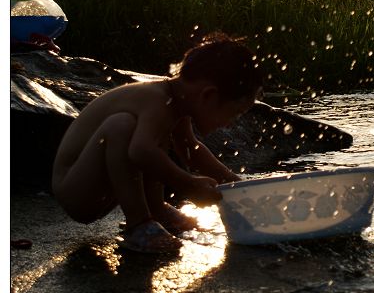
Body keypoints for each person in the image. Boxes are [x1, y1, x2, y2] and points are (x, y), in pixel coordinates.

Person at [52, 33, 262, 253]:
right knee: (122, 126)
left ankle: (156, 210)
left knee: (152, 139)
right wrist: (189, 184)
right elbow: (140, 151)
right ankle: (139, 224)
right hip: (75, 190)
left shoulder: (177, 104)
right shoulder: (157, 99)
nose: (230, 124)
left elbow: (191, 150)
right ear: (208, 95)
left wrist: (238, 186)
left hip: (97, 189)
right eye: (234, 114)